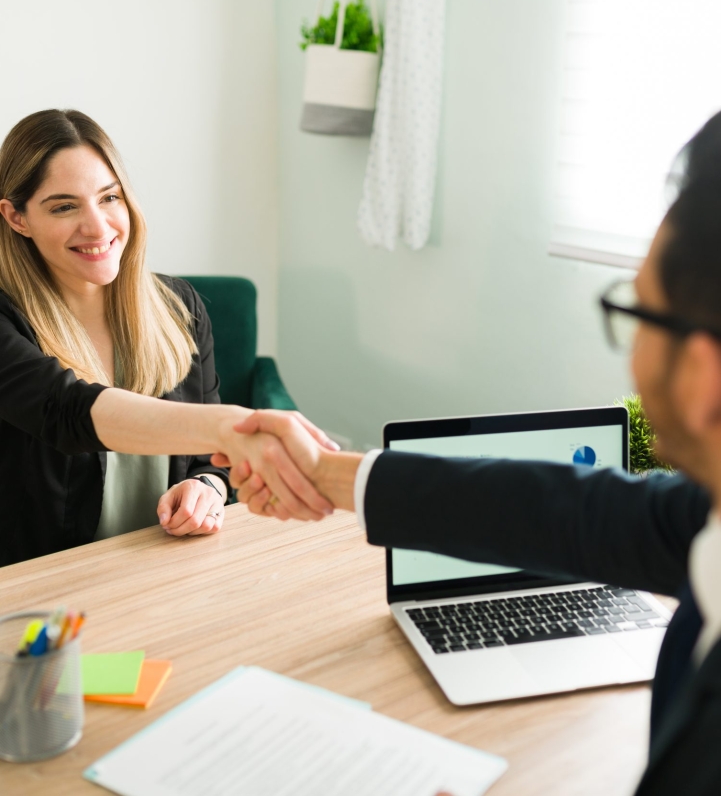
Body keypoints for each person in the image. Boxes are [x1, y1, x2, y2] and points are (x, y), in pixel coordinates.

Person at [222, 112, 721, 794]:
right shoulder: (706, 516)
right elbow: (567, 510)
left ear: (702, 377)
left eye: (635, 310)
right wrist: (324, 474)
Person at [0, 109, 336, 567]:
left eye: (109, 198)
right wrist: (236, 428)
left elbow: (208, 462)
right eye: (64, 206)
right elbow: (68, 411)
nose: (98, 227)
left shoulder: (179, 307)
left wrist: (208, 488)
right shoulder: (8, 321)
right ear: (17, 218)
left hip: (170, 573)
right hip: (52, 596)